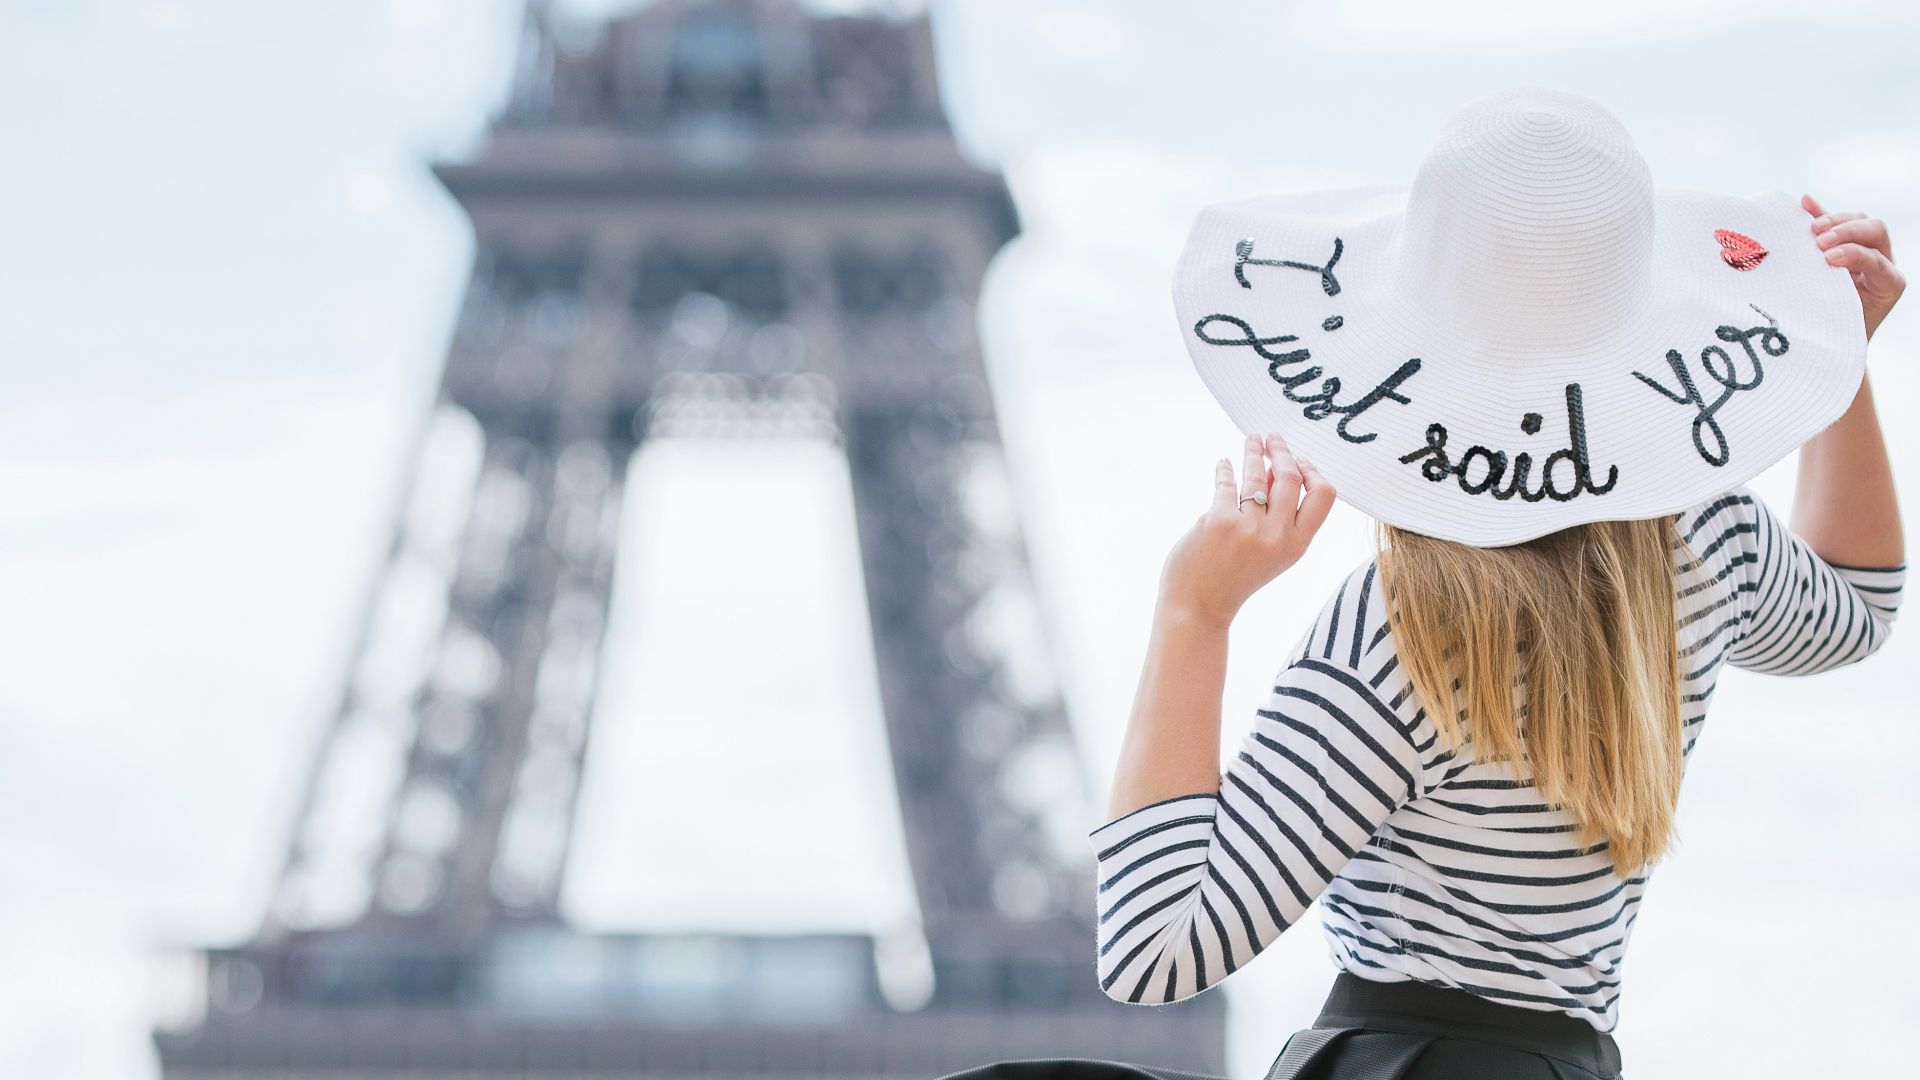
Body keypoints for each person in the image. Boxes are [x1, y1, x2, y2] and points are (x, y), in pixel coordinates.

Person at [942, 87, 1905, 1080]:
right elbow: (1859, 606)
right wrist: (1837, 364)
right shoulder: (1704, 543)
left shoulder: (1405, 641)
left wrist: (1196, 612)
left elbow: (1153, 950)